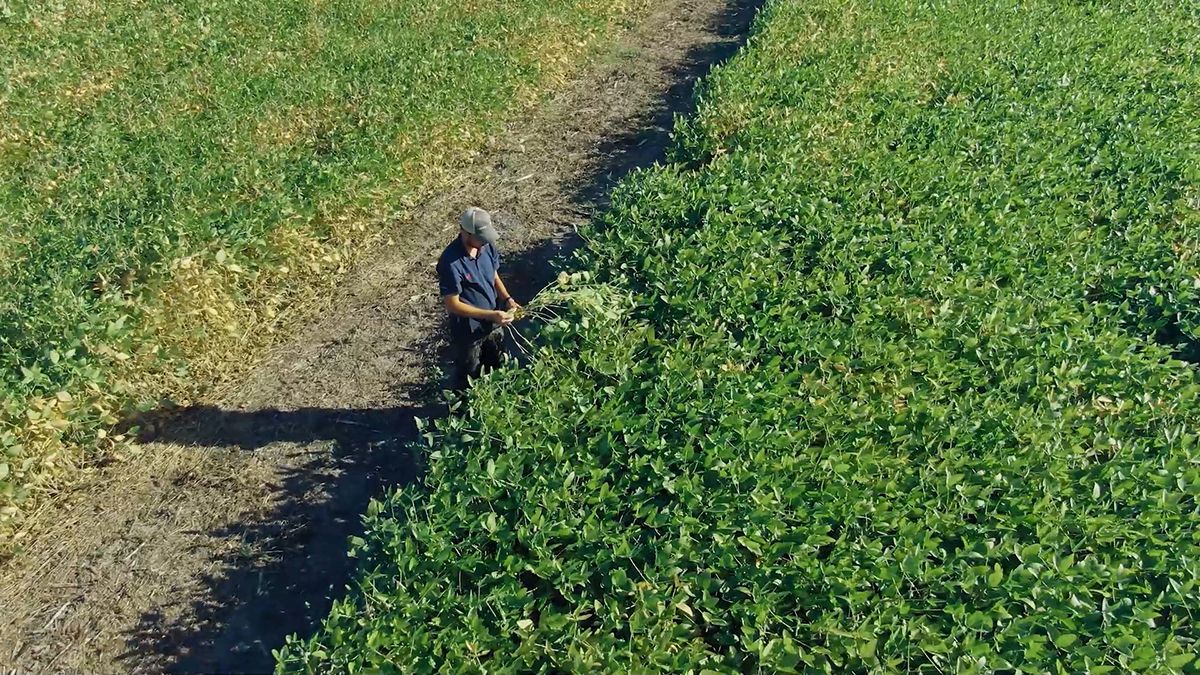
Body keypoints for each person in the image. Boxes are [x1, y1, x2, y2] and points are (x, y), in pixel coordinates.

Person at [436, 207, 521, 389]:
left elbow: (493, 275)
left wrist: (507, 299)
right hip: (468, 331)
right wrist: (490, 315)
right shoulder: (451, 262)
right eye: (480, 238)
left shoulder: (486, 246)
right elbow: (452, 304)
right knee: (469, 375)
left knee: (498, 365)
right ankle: (464, 412)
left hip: (493, 321)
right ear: (465, 233)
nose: (483, 242)